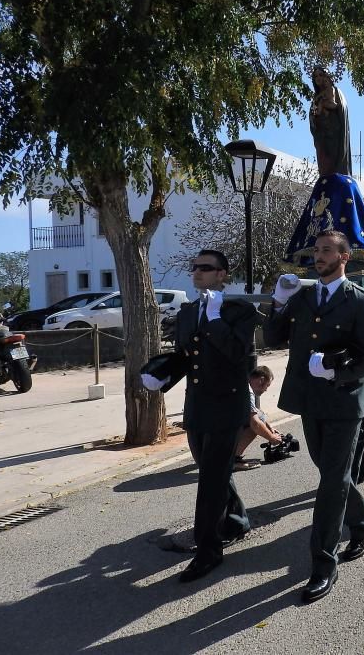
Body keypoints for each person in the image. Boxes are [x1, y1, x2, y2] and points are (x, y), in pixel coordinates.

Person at [263, 229, 364, 603]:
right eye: (317, 250)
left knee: (331, 482)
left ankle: (323, 564)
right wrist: (278, 303)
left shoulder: (360, 301)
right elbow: (272, 338)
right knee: (331, 472)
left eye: (327, 250)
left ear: (344, 257)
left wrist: (335, 370)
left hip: (344, 403)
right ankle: (362, 523)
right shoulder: (303, 297)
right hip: (310, 401)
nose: (320, 256)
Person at [154, 249, 256, 583]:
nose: (197, 272)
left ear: (222, 274)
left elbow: (241, 355)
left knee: (210, 477)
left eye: (206, 268)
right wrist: (162, 372)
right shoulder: (187, 312)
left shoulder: (238, 310)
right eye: (194, 267)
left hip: (227, 404)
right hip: (197, 404)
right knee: (212, 468)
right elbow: (187, 355)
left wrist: (215, 320)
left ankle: (208, 550)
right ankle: (236, 519)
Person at [233, 366, 283, 471]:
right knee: (253, 427)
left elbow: (256, 412)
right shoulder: (248, 391)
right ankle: (234, 460)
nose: (266, 390)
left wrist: (268, 427)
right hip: (221, 425)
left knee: (258, 419)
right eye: (267, 386)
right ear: (261, 380)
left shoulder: (241, 383)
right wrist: (272, 438)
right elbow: (255, 423)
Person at [309, 67, 352, 176]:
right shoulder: (316, 97)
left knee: (335, 165)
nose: (318, 78)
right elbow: (313, 114)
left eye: (320, 75)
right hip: (322, 137)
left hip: (334, 135)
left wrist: (323, 104)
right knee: (325, 166)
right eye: (315, 76)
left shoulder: (334, 90)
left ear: (326, 77)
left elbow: (337, 106)